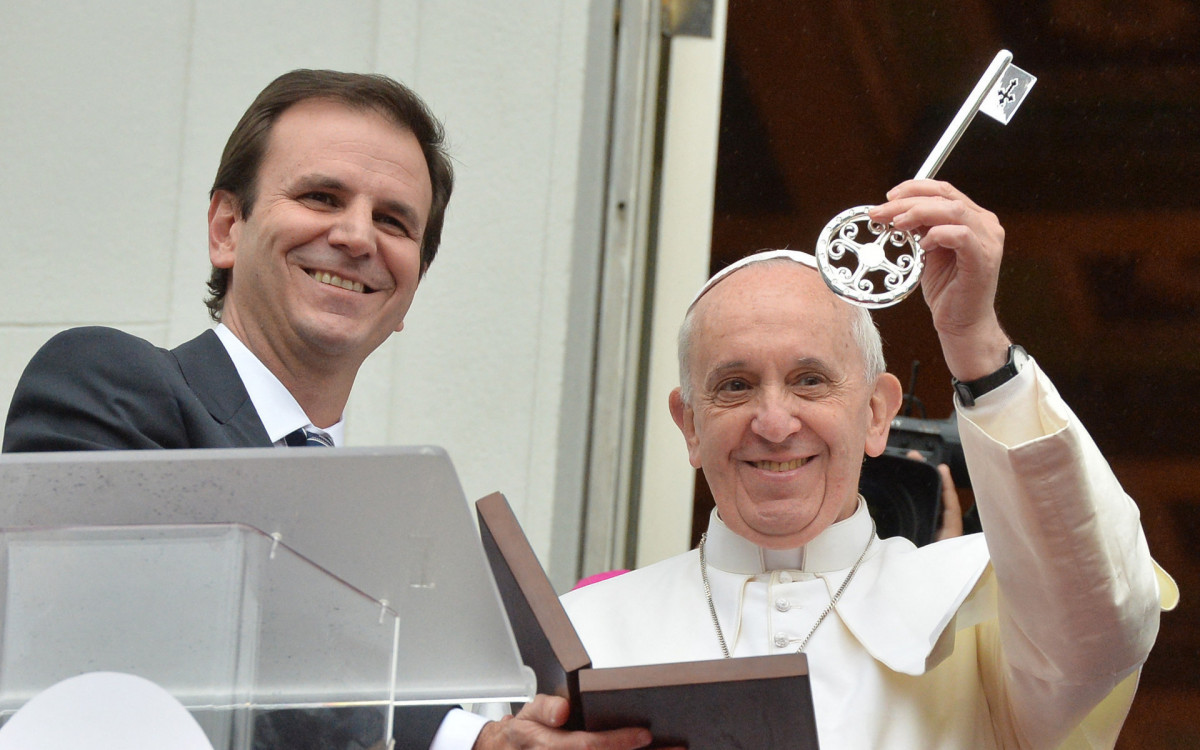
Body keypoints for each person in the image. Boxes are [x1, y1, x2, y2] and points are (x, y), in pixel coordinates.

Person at [3, 69, 656, 750]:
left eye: (394, 220)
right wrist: (464, 740)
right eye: (322, 196)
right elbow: (145, 644)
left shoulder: (398, 533)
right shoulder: (110, 386)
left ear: (409, 292)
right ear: (227, 228)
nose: (356, 236)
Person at [562, 180, 1176, 748]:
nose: (774, 424)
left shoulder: (985, 610)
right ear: (690, 425)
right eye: (735, 386)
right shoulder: (584, 633)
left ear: (877, 413)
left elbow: (1104, 622)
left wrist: (977, 344)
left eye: (810, 381)